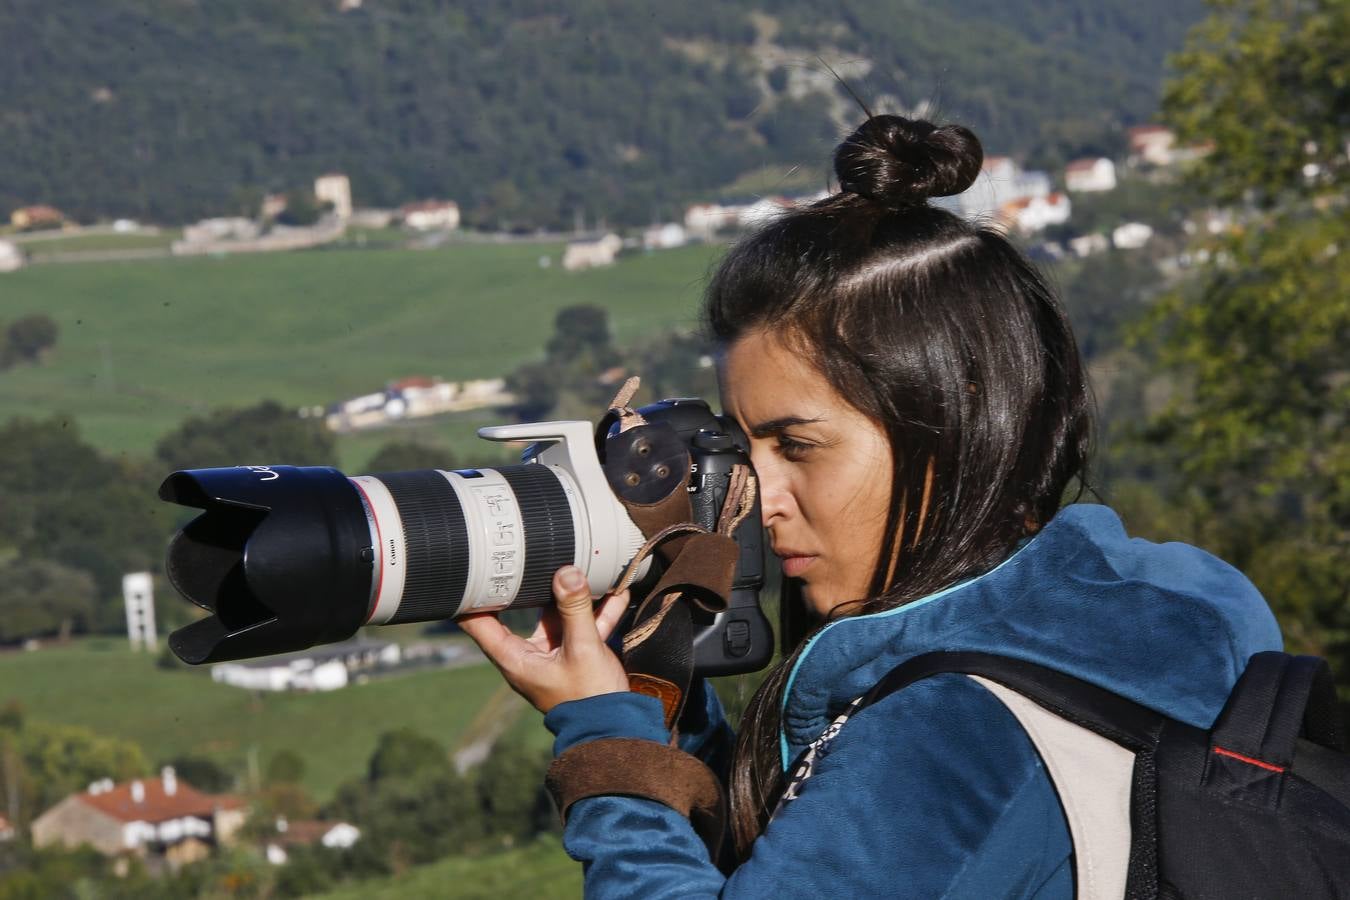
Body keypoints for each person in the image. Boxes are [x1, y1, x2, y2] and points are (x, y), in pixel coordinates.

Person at [460, 115, 1282, 897]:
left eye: (800, 446)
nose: (763, 500)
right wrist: (655, 684)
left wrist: (607, 748)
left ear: (949, 414)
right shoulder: (1146, 622)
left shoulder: (952, 727)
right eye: (748, 451)